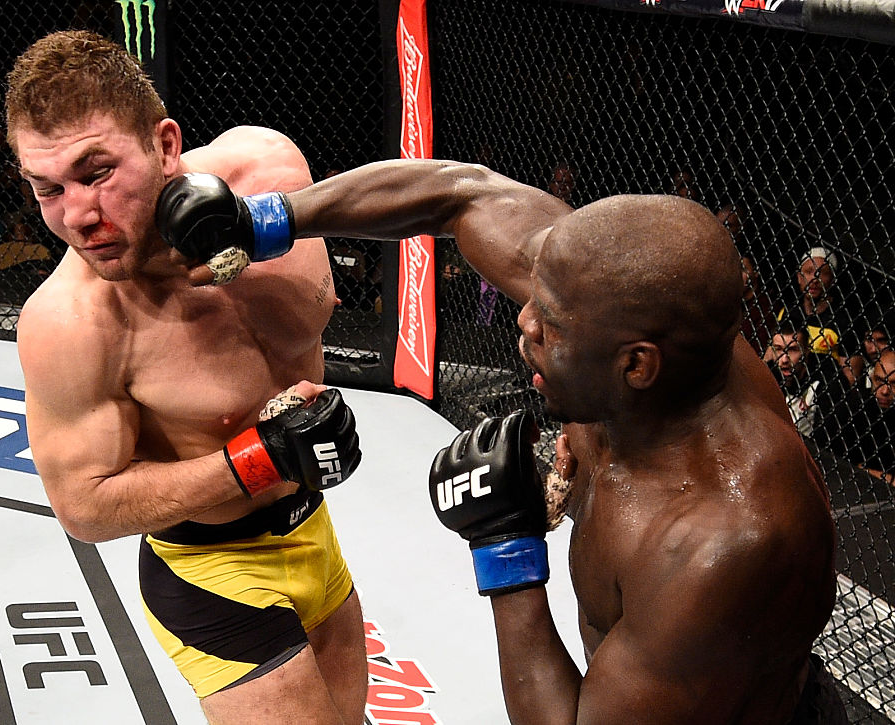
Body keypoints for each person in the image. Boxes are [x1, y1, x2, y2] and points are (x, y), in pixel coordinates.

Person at [164, 159, 847, 723]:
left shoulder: (724, 542)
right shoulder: (605, 302)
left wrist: (505, 547)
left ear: (636, 364)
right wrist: (263, 220)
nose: (524, 324)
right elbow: (458, 192)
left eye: (550, 323)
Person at [4, 31, 366, 725]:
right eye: (47, 187)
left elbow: (405, 225)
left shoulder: (269, 168)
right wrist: (259, 459)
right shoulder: (71, 322)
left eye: (96, 171)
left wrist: (255, 236)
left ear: (165, 145)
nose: (78, 214)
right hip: (213, 572)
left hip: (316, 533)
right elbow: (85, 504)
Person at [765, 321, 854, 456]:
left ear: (806, 350)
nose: (784, 359)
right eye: (778, 349)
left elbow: (829, 439)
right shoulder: (769, 373)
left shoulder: (828, 377)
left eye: (793, 350)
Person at [775, 247, 861, 388]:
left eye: (822, 273)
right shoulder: (788, 311)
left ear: (832, 279)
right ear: (798, 277)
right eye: (808, 272)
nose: (814, 279)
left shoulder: (845, 321)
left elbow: (850, 377)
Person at [846, 348, 895, 487]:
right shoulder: (855, 407)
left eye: (894, 384)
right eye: (879, 381)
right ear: (872, 378)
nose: (885, 391)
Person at [739, 254, 776, 356]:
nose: (736, 274)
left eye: (742, 269)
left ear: (756, 272)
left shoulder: (766, 306)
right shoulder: (730, 301)